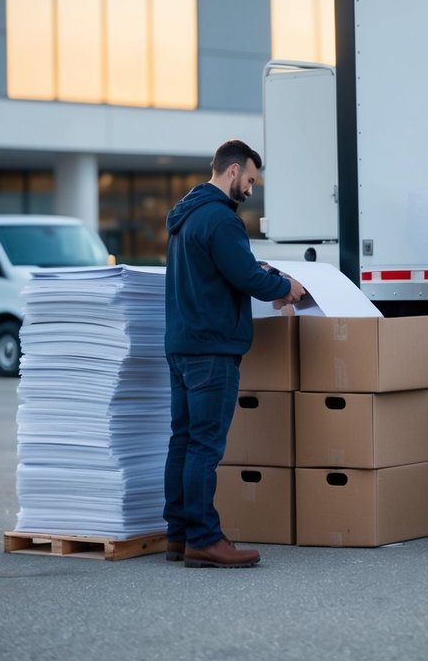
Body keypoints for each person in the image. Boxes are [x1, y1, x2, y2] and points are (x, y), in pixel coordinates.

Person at [162, 139, 305, 568]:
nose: (251, 188)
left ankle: (179, 535)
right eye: (250, 179)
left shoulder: (186, 216)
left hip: (183, 345)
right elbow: (243, 274)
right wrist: (286, 289)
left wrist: (257, 274)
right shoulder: (221, 220)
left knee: (184, 441)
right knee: (205, 447)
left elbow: (222, 272)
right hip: (212, 349)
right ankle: (204, 538)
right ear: (232, 171)